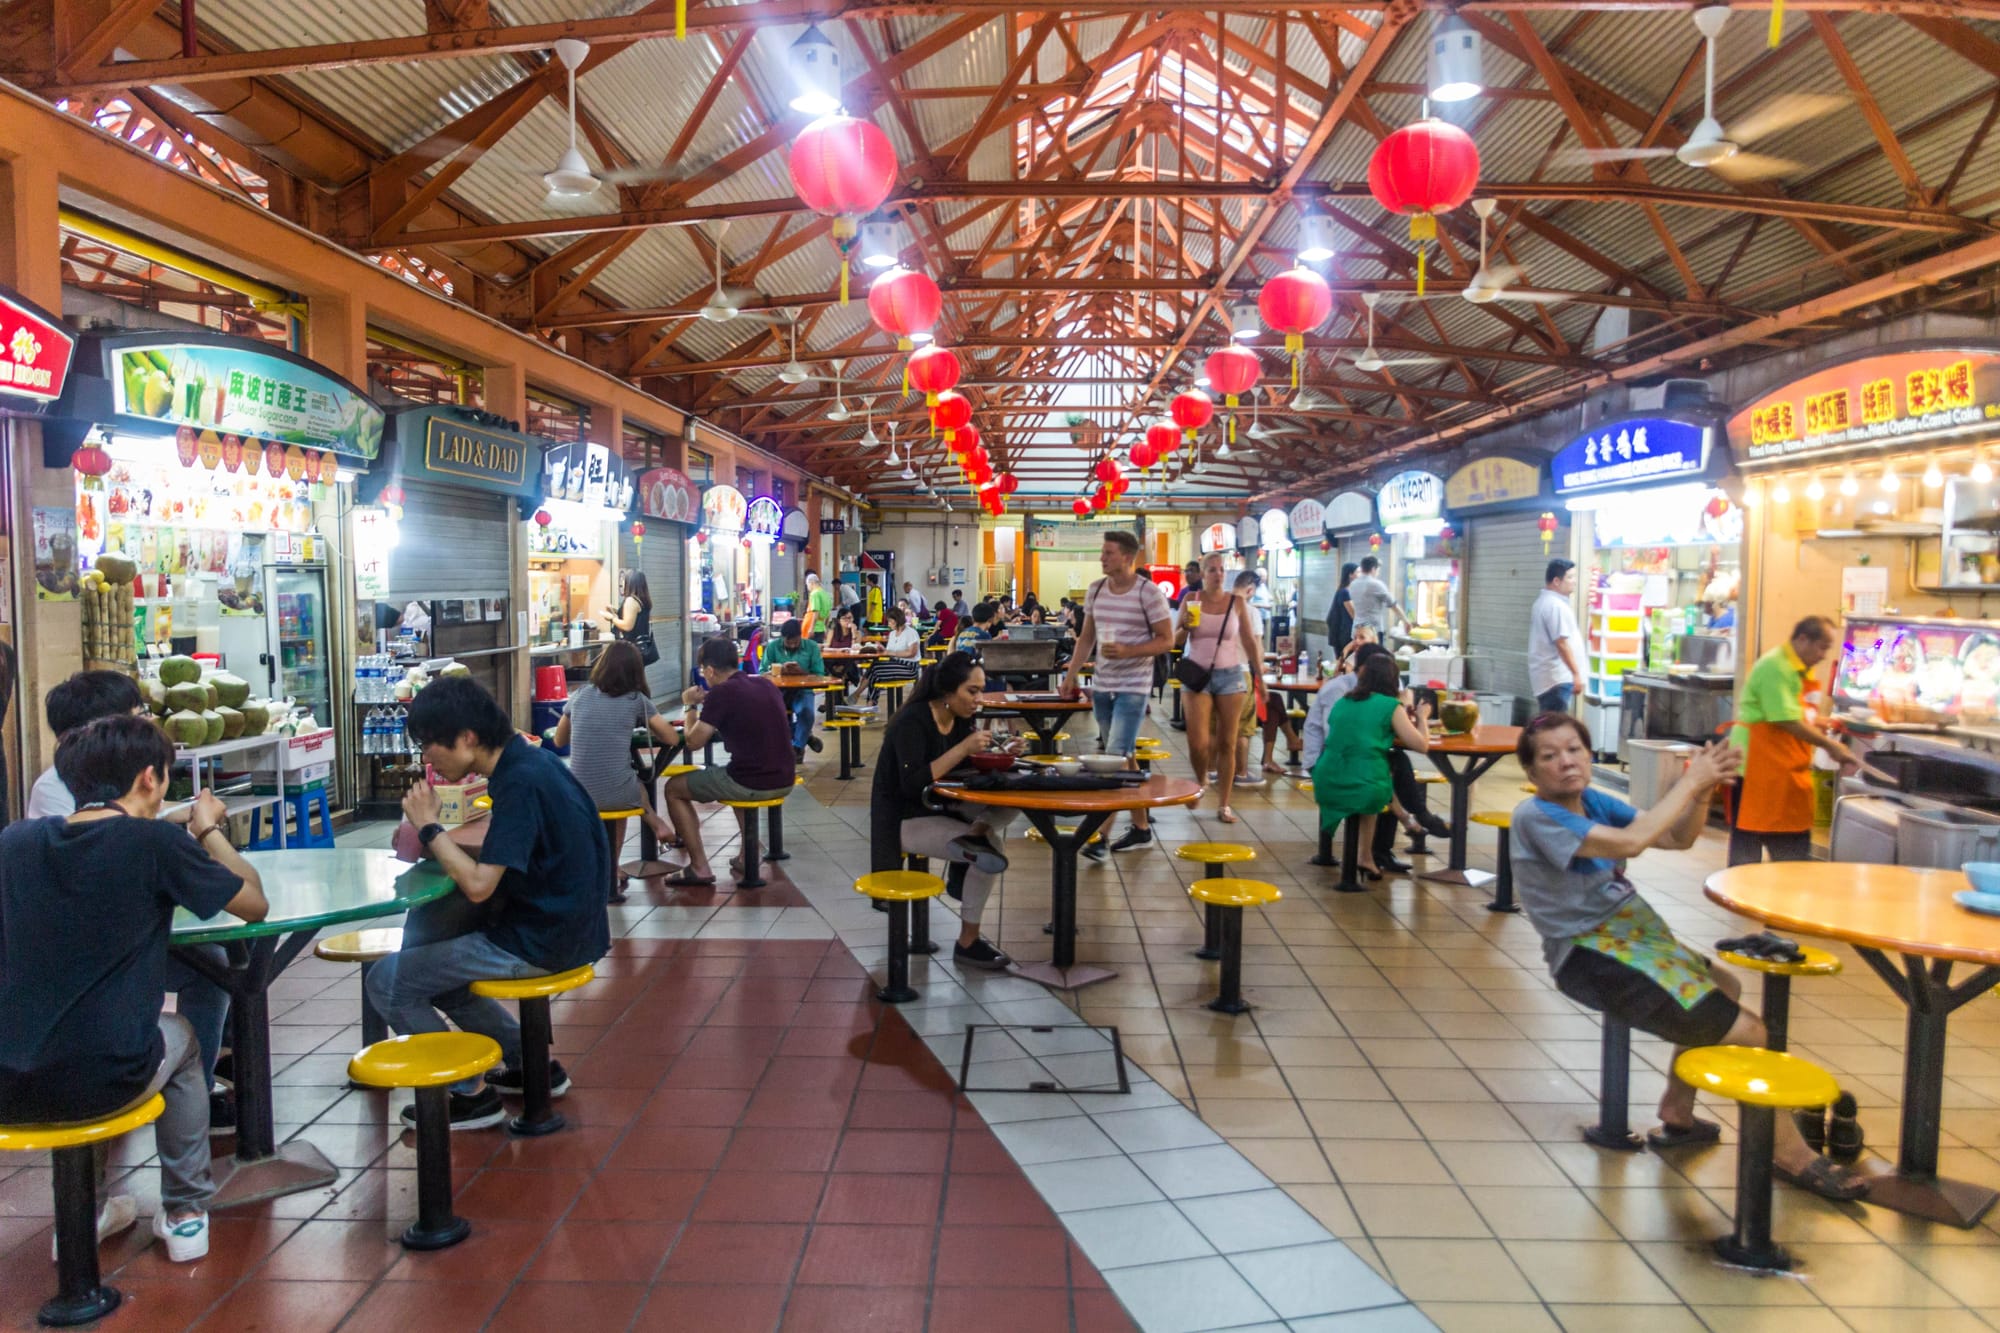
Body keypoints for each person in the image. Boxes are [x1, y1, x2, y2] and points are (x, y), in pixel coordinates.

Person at [1510, 713, 1863, 1199]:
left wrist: (1701, 793)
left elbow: (1676, 837)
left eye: (1574, 749)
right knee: (1750, 1031)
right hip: (1591, 957)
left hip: (1633, 940)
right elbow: (1635, 840)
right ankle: (1790, 1154)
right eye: (1549, 757)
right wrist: (1692, 780)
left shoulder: (1591, 799)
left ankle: (1677, 1110)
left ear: (1589, 754)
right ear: (1532, 774)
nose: (1566, 762)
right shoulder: (1536, 816)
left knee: (1728, 987)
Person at [0, 715, 266, 1263]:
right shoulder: (153, 843)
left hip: (6, 1082)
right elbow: (254, 904)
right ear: (151, 778)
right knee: (183, 1041)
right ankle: (187, 1211)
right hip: (104, 1077)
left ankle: (88, 1210)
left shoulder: (14, 842)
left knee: (80, 1037)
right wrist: (208, 829)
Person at [379, 677, 612, 1129]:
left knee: (390, 981)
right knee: (440, 977)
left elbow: (480, 886)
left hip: (541, 941)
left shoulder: (519, 783)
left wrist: (429, 828)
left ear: (467, 737)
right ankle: (532, 1066)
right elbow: (508, 858)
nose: (427, 757)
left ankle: (469, 1094)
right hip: (573, 928)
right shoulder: (533, 762)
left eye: (430, 745)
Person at [26, 671, 238, 1131]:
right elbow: (250, 901)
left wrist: (167, 822)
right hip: (87, 964)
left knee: (214, 964)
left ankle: (207, 1082)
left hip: (27, 1064)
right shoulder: (53, 792)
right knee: (199, 981)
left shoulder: (24, 836)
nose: (147, 724)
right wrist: (196, 832)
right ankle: (186, 1190)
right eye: (136, 717)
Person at [870, 652, 1017, 970]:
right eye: (972, 691)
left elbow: (961, 768)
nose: (978, 699)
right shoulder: (913, 721)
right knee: (991, 852)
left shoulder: (961, 718)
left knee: (1013, 799)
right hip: (905, 820)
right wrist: (963, 748)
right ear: (948, 691)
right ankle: (967, 942)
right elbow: (910, 785)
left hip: (940, 807)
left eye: (981, 690)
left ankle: (974, 836)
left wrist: (1001, 752)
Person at [1063, 531, 1174, 855]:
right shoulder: (1096, 590)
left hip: (1134, 688)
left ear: (1127, 557)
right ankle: (1141, 828)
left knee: (1111, 758)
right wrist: (1071, 676)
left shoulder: (1148, 593)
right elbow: (1086, 638)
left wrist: (1128, 651)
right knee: (1123, 756)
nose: (1102, 558)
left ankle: (1100, 836)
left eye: (1108, 553)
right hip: (1103, 686)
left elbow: (1167, 640)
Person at [656, 636, 797, 886]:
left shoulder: (722, 694)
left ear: (710, 670)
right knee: (731, 774)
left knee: (673, 789)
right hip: (785, 777)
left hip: (752, 781)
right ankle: (747, 855)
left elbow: (693, 742)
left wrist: (689, 706)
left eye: (703, 670)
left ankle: (699, 867)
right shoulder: (763, 684)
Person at [549, 640, 679, 899]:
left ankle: (604, 870)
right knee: (626, 789)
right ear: (636, 671)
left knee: (611, 789)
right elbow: (672, 739)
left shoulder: (581, 695)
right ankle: (650, 825)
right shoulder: (636, 700)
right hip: (617, 792)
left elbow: (559, 741)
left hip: (577, 794)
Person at [1303, 643, 1449, 868]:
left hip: (1335, 769)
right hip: (1328, 763)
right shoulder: (1342, 692)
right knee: (1390, 769)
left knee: (1394, 763)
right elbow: (1421, 745)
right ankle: (1409, 822)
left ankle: (1394, 837)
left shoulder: (1350, 699)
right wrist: (1420, 716)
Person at [1729, 615, 1856, 866]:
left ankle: (1787, 889)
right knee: (1748, 844)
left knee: (1790, 839)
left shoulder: (1799, 668)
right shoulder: (1776, 667)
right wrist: (1831, 745)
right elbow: (1784, 720)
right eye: (1822, 646)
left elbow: (1795, 712)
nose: (1823, 654)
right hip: (1756, 769)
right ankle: (1737, 894)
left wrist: (1822, 721)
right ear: (1802, 639)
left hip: (1784, 770)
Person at [1177, 553, 1268, 823]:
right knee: (1198, 742)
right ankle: (1202, 777)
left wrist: (1260, 678)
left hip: (1231, 675)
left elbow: (1250, 642)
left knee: (1228, 742)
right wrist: (1184, 626)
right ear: (1203, 574)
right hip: (1197, 675)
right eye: (1212, 570)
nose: (1218, 574)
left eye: (1221, 570)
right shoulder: (1191, 600)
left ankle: (1224, 804)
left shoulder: (1236, 603)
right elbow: (1176, 638)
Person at [1232, 569, 1299, 781]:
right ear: (1250, 590)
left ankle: (1275, 752)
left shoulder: (1218, 606)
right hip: (1243, 673)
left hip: (1219, 674)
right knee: (1245, 725)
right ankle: (1243, 771)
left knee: (1272, 703)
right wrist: (1260, 671)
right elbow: (1257, 647)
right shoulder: (1250, 612)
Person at [762, 616, 829, 760]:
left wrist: (802, 673)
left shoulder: (811, 647)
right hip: (778, 691)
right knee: (770, 716)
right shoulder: (773, 647)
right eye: (788, 642)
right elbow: (762, 672)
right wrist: (780, 670)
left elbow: (819, 674)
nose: (792, 645)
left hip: (802, 690)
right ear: (782, 639)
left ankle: (797, 747)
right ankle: (806, 736)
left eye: (796, 642)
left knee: (806, 712)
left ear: (801, 636)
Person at [1528, 558, 1586, 715]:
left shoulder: (1546, 602)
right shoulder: (1555, 605)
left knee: (1551, 726)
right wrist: (1575, 673)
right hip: (1556, 680)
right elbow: (1561, 643)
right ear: (1556, 581)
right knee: (1554, 729)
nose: (1574, 581)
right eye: (1570, 577)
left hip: (1552, 680)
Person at [864, 606, 923, 701]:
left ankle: (867, 701)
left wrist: (891, 653)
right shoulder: (892, 634)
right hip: (894, 663)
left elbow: (912, 653)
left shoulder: (911, 633)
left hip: (909, 667)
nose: (888, 624)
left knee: (876, 670)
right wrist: (882, 649)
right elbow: (889, 651)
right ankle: (867, 702)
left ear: (896, 620)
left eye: (890, 621)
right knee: (874, 668)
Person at [600, 569, 657, 667]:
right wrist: (616, 612)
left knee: (628, 680)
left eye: (624, 580)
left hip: (630, 651)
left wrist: (611, 618)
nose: (622, 584)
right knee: (636, 679)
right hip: (639, 650)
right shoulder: (642, 600)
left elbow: (627, 626)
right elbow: (633, 618)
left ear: (630, 582)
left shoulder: (631, 600)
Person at [1348, 556, 1406, 637]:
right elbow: (1393, 604)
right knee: (1374, 650)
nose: (1378, 572)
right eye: (1378, 569)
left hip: (1356, 630)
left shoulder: (1353, 584)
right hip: (1372, 632)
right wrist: (1406, 621)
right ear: (1373, 569)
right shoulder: (1376, 584)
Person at [1327, 562, 1359, 657]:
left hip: (1346, 634)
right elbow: (1354, 614)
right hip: (1344, 635)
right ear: (1350, 575)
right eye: (1358, 572)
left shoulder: (1347, 591)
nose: (1360, 575)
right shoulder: (1344, 592)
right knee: (1345, 664)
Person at [802, 570, 833, 643]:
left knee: (809, 651)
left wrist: (811, 628)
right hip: (821, 628)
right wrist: (825, 628)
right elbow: (828, 613)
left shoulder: (814, 594)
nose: (808, 588)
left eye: (807, 585)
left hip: (813, 628)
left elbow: (816, 612)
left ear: (811, 583)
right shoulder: (825, 594)